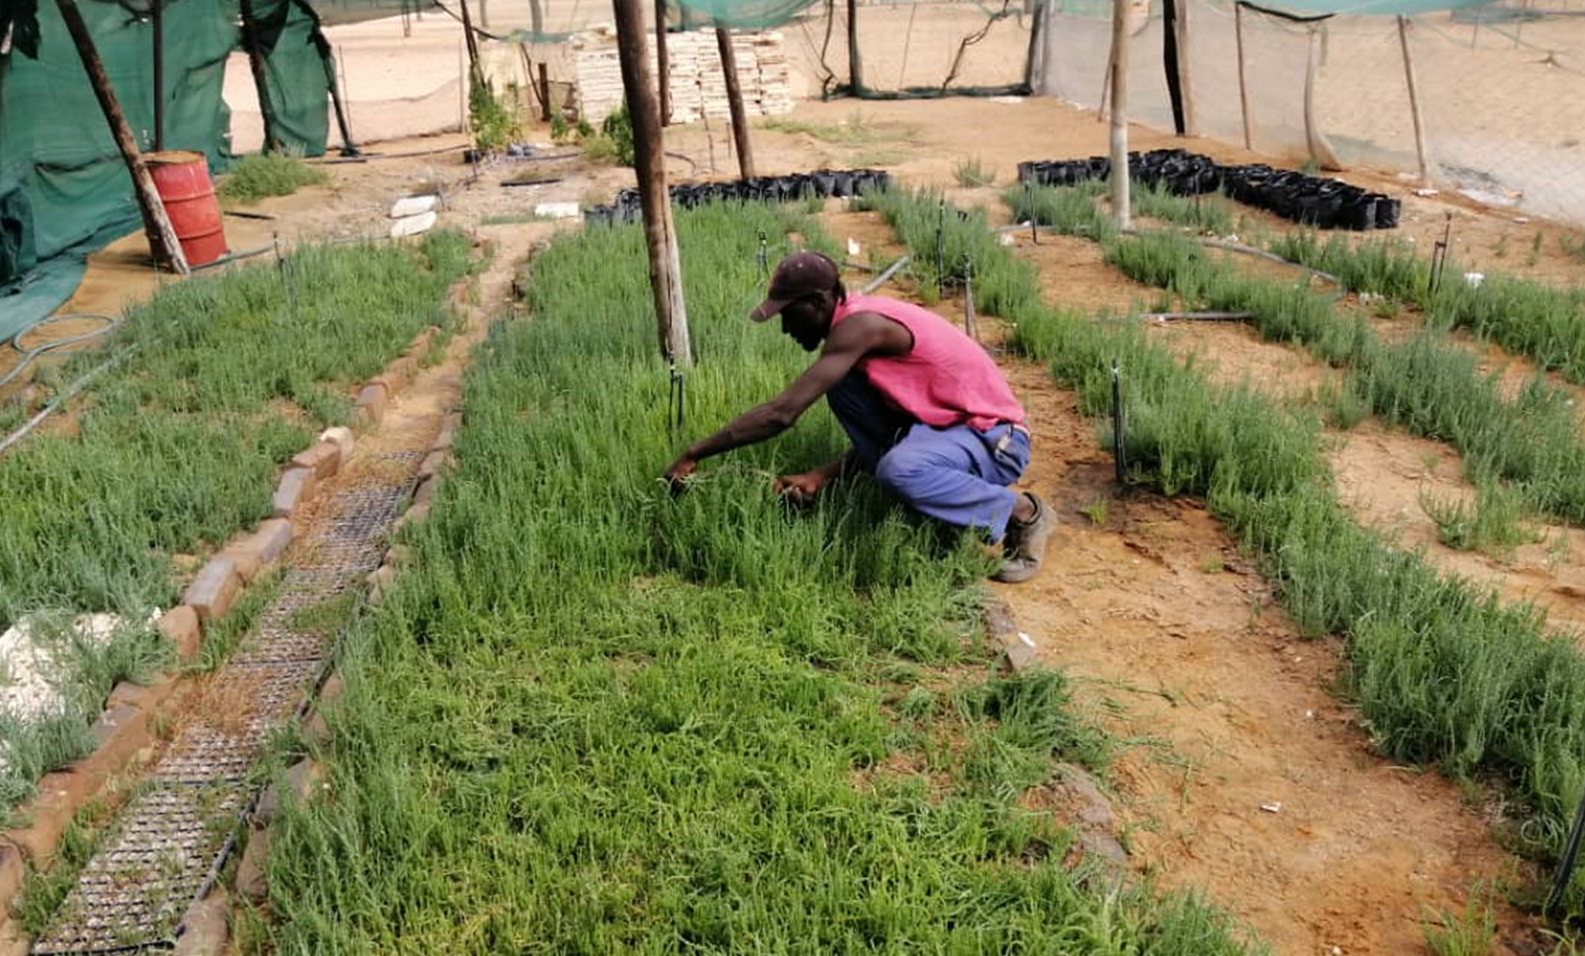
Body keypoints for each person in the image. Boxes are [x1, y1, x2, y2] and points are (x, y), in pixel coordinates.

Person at [663, 250, 1055, 583]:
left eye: (788, 314)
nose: (784, 328)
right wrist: (821, 476)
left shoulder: (861, 327)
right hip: (945, 432)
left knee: (899, 470)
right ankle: (943, 498)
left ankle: (1022, 514)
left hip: (996, 440)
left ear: (818, 302)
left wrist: (694, 452)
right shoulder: (853, 333)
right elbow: (892, 433)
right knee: (844, 388)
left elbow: (781, 414)